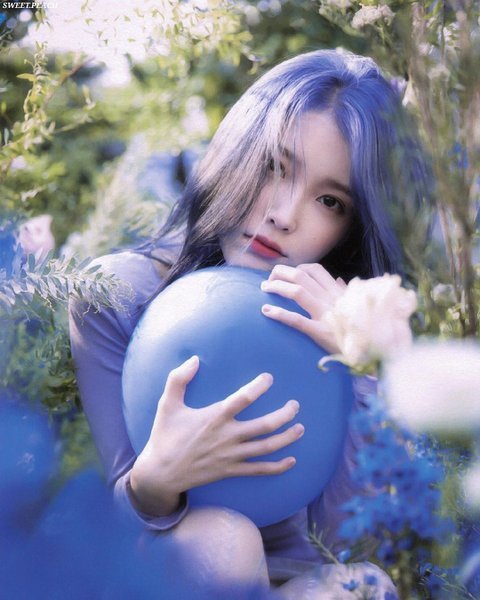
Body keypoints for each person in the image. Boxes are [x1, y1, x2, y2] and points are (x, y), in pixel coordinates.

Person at [69, 49, 428, 598]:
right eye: (274, 168)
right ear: (235, 151)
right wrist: (156, 477)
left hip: (296, 579)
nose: (284, 214)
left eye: (329, 201)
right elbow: (118, 521)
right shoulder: (119, 294)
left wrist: (363, 371)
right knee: (224, 541)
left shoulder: (343, 324)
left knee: (363, 586)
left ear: (352, 228)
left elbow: (345, 543)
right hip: (167, 567)